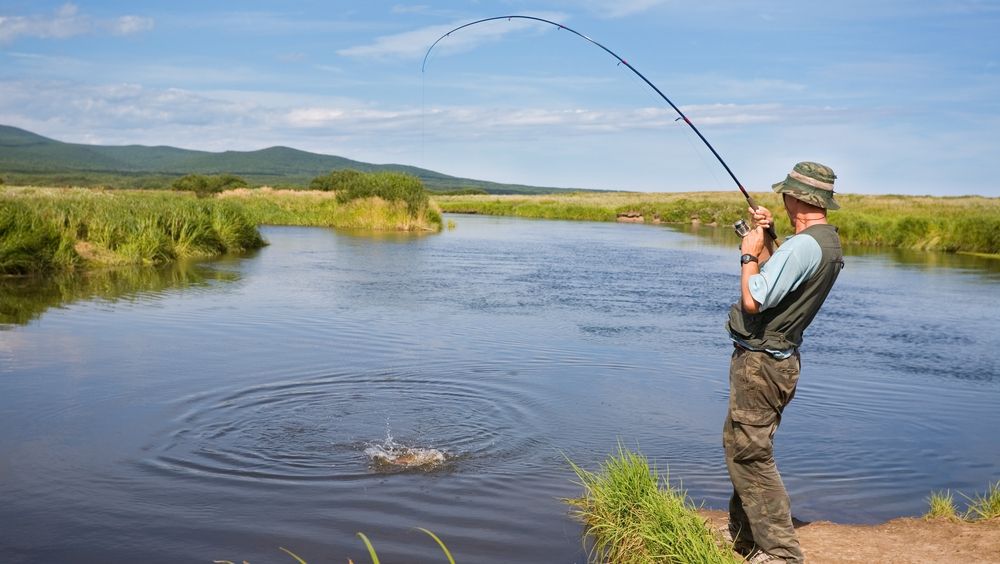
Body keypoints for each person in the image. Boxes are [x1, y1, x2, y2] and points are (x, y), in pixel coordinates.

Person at [722, 162, 844, 564]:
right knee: (741, 446)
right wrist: (773, 237)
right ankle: (744, 537)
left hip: (762, 365)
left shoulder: (805, 246)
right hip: (774, 361)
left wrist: (748, 255)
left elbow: (755, 299)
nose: (782, 198)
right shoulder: (820, 241)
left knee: (751, 455)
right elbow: (786, 276)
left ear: (799, 198)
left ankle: (780, 553)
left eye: (785, 193)